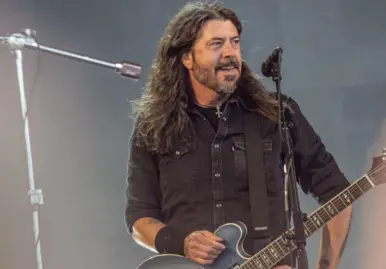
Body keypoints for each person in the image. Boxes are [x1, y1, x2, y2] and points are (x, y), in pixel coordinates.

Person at [124, 2, 352, 268]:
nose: (230, 53)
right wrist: (181, 243)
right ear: (187, 58)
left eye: (234, 42)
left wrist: (326, 265)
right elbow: (139, 218)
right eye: (216, 44)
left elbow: (337, 192)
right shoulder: (154, 125)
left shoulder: (276, 114)